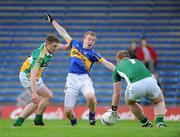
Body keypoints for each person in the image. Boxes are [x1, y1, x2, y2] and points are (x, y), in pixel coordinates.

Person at [45, 14, 115, 126]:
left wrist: (117, 71)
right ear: (84, 39)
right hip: (71, 79)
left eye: (93, 40)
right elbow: (63, 32)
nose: (91, 41)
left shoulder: (93, 54)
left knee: (91, 97)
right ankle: (73, 121)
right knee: (67, 112)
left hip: (84, 79)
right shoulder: (75, 44)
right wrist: (52, 21)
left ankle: (92, 115)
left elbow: (106, 62)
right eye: (89, 39)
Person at [13, 34, 68, 127]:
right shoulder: (40, 57)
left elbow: (66, 47)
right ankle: (26, 122)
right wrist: (34, 93)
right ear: (47, 44)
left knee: (45, 98)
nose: (56, 48)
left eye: (56, 46)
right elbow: (32, 76)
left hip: (35, 75)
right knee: (40, 99)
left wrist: (74, 44)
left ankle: (30, 121)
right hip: (28, 75)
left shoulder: (49, 46)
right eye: (54, 46)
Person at [109, 50, 166, 128]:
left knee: (130, 102)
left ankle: (146, 123)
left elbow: (117, 93)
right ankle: (160, 123)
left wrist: (114, 110)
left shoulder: (117, 68)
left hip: (136, 85)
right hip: (150, 80)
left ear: (118, 60)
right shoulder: (138, 61)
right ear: (128, 57)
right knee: (159, 101)